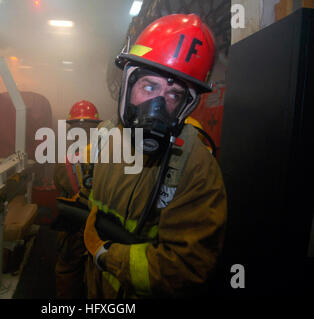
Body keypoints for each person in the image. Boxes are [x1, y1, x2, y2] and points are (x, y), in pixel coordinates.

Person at [83, 14, 227, 298]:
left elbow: (186, 269)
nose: (158, 107)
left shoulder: (196, 168)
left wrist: (105, 255)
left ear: (187, 105)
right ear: (128, 83)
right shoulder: (104, 136)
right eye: (149, 87)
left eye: (173, 95)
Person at [52, 100, 101, 299]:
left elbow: (60, 187)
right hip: (100, 226)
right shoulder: (110, 158)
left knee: (68, 269)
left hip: (73, 226)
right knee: (97, 273)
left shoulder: (65, 161)